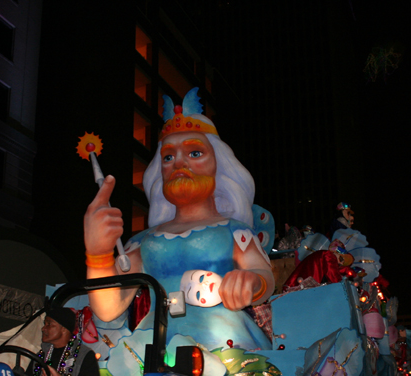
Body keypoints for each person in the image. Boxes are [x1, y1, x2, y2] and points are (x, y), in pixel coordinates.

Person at [83, 88, 274, 352]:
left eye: (195, 153)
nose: (178, 164)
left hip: (226, 348)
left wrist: (251, 282)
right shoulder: (142, 242)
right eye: (168, 157)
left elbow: (265, 277)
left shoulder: (235, 231)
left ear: (219, 165)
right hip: (153, 349)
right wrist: (98, 255)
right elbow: (108, 309)